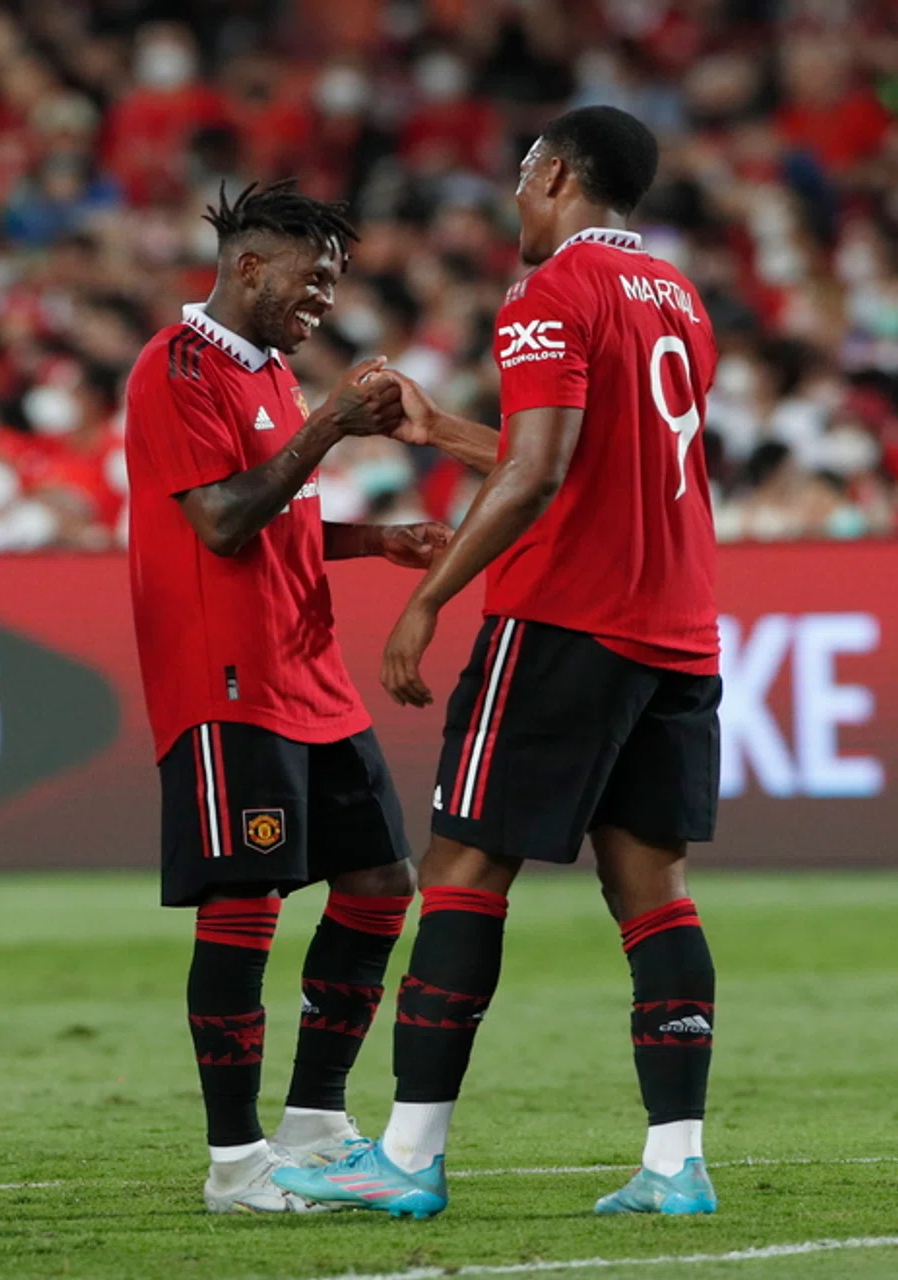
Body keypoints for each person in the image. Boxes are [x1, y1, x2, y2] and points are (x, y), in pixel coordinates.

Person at [277, 106, 723, 1218]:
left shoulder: (549, 294)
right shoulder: (677, 296)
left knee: (465, 871)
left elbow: (533, 480)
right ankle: (678, 1162)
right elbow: (577, 462)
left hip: (566, 621)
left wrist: (425, 599)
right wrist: (438, 432)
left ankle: (410, 1155)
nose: (516, 198)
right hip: (674, 629)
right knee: (654, 891)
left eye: (524, 176)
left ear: (558, 172)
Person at [122, 179, 451, 1214]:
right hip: (229, 684)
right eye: (313, 278)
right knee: (244, 907)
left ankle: (314, 1121)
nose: (325, 299)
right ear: (250, 266)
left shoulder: (268, 372)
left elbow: (277, 513)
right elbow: (220, 520)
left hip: (310, 678)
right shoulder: (176, 368)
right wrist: (328, 427)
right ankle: (235, 1163)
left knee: (380, 884)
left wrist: (371, 540)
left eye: (337, 281)